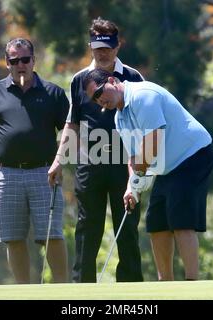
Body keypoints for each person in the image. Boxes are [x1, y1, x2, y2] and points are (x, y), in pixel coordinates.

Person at [83, 69, 213, 281]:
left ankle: (192, 283)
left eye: (100, 92)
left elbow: (152, 141)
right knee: (157, 223)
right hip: (168, 166)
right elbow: (134, 156)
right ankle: (166, 284)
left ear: (111, 80)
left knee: (180, 220)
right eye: (94, 98)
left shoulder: (143, 96)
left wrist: (139, 178)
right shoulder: (120, 117)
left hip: (193, 155)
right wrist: (130, 187)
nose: (100, 100)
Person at [0, 38, 69, 283]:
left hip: (45, 173)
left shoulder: (53, 93)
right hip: (6, 175)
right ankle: (23, 292)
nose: (20, 65)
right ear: (7, 63)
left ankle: (63, 289)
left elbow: (71, 130)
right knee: (13, 237)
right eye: (14, 61)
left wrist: (60, 161)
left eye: (25, 60)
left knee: (51, 234)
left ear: (33, 60)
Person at [48, 18, 144, 282]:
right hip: (90, 163)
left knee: (127, 231)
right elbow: (72, 123)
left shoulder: (133, 77)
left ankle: (132, 288)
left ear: (118, 45)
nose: (103, 53)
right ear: (90, 46)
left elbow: (142, 121)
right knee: (87, 229)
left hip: (126, 164)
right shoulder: (79, 79)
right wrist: (58, 160)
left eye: (108, 47)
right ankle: (82, 289)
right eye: (97, 47)